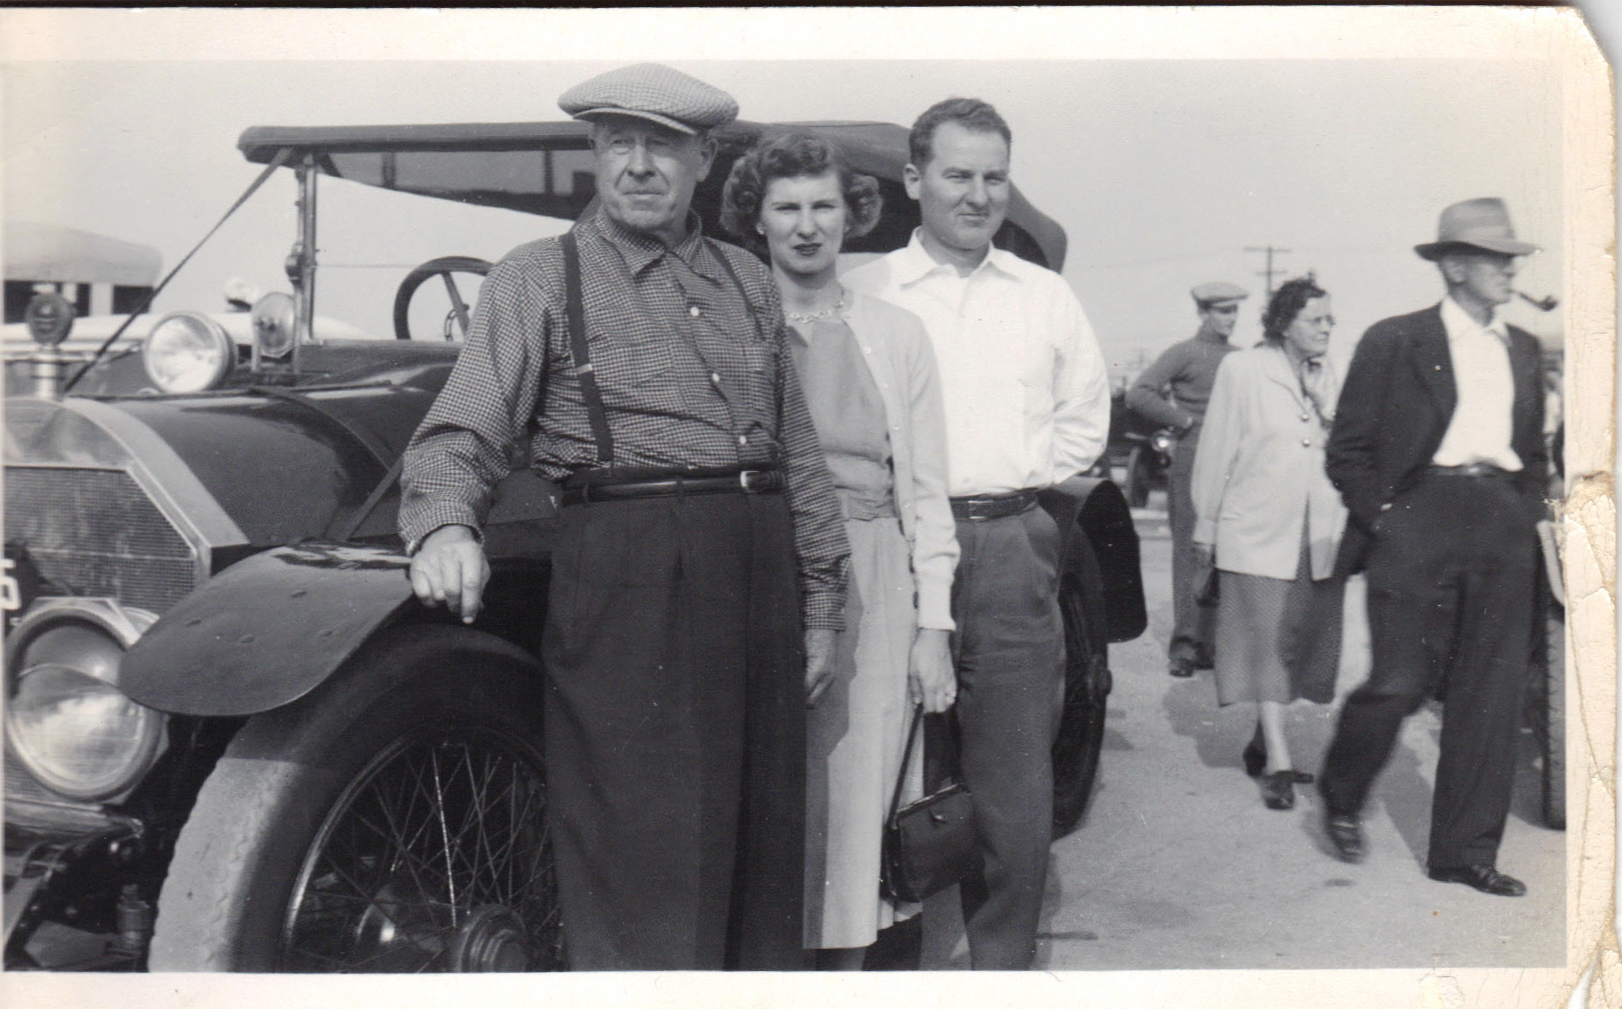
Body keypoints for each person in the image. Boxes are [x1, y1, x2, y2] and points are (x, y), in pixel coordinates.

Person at [397, 63, 851, 969]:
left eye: (664, 146)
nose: (639, 166)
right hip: (631, 570)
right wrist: (446, 523)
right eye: (619, 144)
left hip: (758, 568)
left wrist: (823, 602)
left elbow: (794, 451)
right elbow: (463, 428)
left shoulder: (748, 278)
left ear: (705, 159)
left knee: (762, 849)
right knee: (644, 852)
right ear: (595, 156)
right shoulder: (538, 278)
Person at [843, 97, 1112, 970]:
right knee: (883, 755)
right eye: (958, 174)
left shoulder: (1043, 296)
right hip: (889, 546)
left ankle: (1001, 967)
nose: (977, 194)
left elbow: (1085, 422)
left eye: (994, 177)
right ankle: (881, 961)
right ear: (914, 181)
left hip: (1005, 542)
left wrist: (1023, 500)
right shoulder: (865, 290)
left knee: (1011, 773)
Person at [719, 131, 959, 970]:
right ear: (757, 217)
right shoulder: (729, 323)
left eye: (824, 205)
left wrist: (936, 626)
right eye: (787, 207)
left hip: (873, 579)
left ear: (852, 214)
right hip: (761, 567)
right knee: (767, 789)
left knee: (858, 796)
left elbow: (927, 487)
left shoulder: (897, 333)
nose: (808, 225)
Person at [1318, 198, 1547, 897]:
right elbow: (1348, 449)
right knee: (1399, 681)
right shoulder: (1394, 341)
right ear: (1453, 267)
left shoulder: (1525, 348)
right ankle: (1342, 793)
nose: (1510, 271)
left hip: (1501, 521)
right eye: (1495, 260)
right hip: (1417, 516)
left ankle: (1464, 852)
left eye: (1513, 260)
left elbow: (1533, 449)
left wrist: (1524, 506)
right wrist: (1389, 519)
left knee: (1491, 693)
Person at [1190, 277, 1348, 811]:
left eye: (1330, 320)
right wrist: (1205, 524)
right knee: (1269, 641)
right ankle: (1279, 759)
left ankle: (1263, 739)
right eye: (1316, 320)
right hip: (1255, 527)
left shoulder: (1326, 373)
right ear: (1283, 323)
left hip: (1316, 529)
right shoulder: (1243, 370)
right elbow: (1216, 449)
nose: (1328, 328)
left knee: (1301, 640)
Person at [1126, 281, 1248, 678]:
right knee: (1191, 552)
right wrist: (1183, 421)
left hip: (1237, 463)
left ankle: (1212, 645)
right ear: (1203, 313)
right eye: (1222, 311)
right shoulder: (1184, 353)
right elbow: (1139, 393)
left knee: (1228, 551)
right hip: (1193, 457)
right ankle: (1185, 646)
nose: (1229, 318)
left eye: (1233, 311)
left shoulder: (1242, 359)